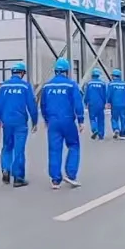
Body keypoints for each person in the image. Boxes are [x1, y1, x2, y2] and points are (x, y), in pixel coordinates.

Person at [40, 57, 85, 189]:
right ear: (67, 71)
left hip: (53, 122)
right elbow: (78, 104)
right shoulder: (71, 85)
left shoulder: (47, 86)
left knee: (54, 149)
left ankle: (55, 180)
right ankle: (71, 174)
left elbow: (43, 105)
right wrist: (81, 120)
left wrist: (46, 119)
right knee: (74, 145)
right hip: (68, 120)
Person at [0, 62, 38, 188]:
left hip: (7, 121)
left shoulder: (3, 86)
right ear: (22, 73)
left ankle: (5, 169)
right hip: (20, 122)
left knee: (7, 147)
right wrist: (34, 121)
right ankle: (18, 178)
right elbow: (32, 105)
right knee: (19, 149)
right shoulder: (25, 86)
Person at [106, 68, 125, 140]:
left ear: (113, 76)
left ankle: (116, 129)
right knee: (123, 118)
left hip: (114, 104)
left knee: (114, 118)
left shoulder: (111, 84)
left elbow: (109, 94)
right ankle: (123, 134)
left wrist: (108, 102)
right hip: (123, 104)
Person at [84, 68, 108, 140]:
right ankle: (101, 135)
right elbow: (104, 94)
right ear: (98, 75)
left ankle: (95, 129)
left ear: (92, 75)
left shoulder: (89, 83)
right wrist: (105, 103)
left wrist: (86, 102)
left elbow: (86, 94)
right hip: (100, 103)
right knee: (101, 119)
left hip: (92, 103)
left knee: (92, 118)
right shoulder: (102, 83)